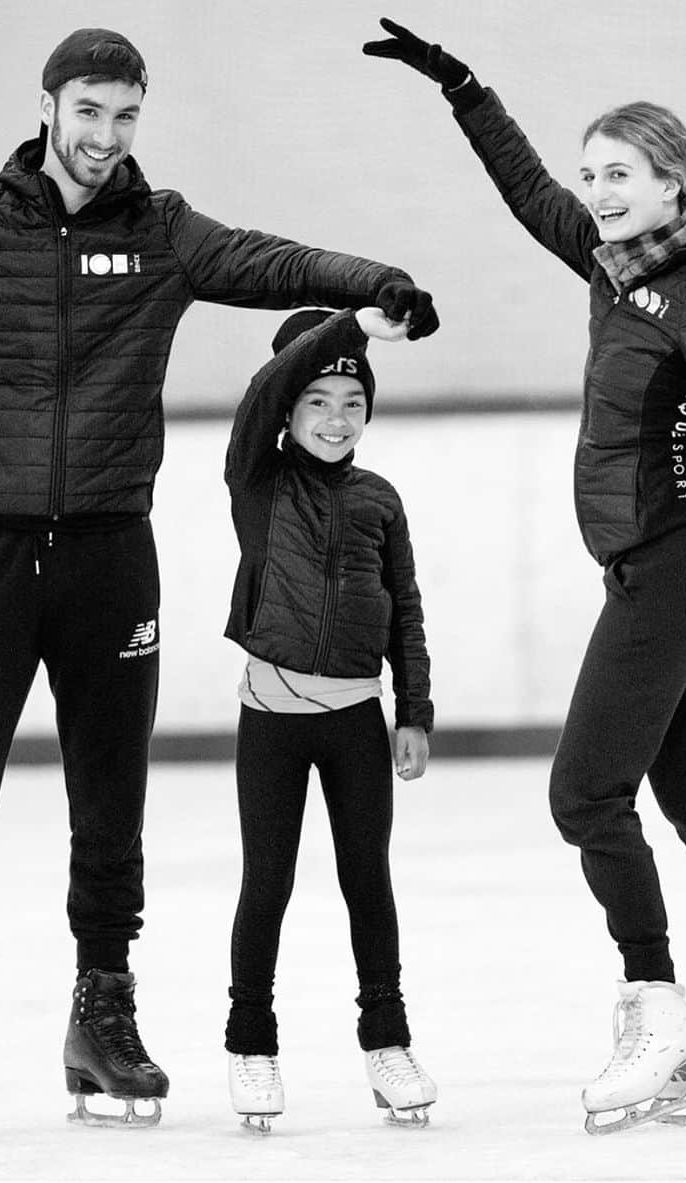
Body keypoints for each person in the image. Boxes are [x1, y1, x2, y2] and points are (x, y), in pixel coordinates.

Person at [0, 27, 440, 1137]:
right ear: (48, 107)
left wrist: (372, 283)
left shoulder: (163, 232)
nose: (104, 137)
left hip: (109, 555)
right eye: (87, 112)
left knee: (112, 802)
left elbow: (273, 263)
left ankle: (103, 1014)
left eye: (125, 116)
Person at [364, 18, 686, 1134]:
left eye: (620, 175)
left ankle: (658, 1008)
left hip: (682, 559)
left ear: (671, 185)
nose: (596, 191)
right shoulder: (609, 270)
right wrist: (462, 88)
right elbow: (523, 187)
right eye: (591, 173)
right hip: (642, 567)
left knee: (585, 790)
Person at [220, 305, 437, 1132]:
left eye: (352, 401)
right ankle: (251, 1044)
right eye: (316, 400)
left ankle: (387, 1040)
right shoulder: (258, 480)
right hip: (272, 717)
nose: (336, 418)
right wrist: (345, 325)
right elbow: (259, 396)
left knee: (367, 880)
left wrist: (411, 710)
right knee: (266, 881)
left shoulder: (380, 500)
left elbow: (404, 609)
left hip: (357, 721)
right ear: (286, 409)